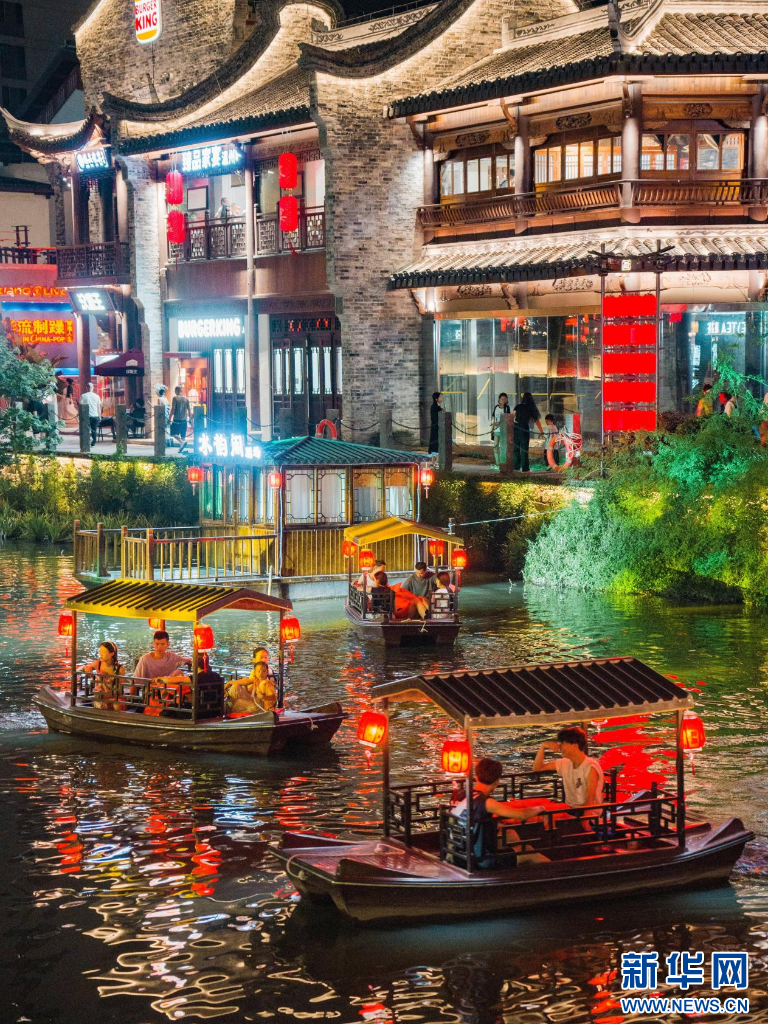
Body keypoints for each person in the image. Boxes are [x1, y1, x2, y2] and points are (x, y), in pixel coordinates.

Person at [450, 758, 549, 869]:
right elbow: (522, 815)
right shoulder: (486, 802)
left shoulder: (461, 795)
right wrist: (540, 808)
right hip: (479, 860)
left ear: (476, 777)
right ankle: (556, 873)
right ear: (497, 781)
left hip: (459, 852)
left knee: (510, 834)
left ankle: (516, 870)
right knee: (528, 850)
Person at [532, 727, 604, 823]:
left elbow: (590, 798)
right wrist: (543, 747)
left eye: (563, 743)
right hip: (570, 809)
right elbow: (537, 768)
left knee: (544, 820)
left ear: (574, 745)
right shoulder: (565, 762)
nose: (559, 746)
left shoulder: (590, 767)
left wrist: (585, 820)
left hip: (588, 814)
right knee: (538, 814)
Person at [81, 641, 125, 711]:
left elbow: (120, 689)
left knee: (117, 705)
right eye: (100, 652)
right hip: (100, 697)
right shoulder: (98, 663)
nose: (100, 654)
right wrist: (87, 667)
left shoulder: (120, 669)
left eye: (103, 652)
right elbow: (85, 667)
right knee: (101, 705)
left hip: (114, 696)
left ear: (112, 654)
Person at [512, 392, 543, 473]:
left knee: (516, 448)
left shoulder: (518, 406)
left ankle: (516, 467)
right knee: (524, 449)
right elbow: (537, 421)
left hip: (516, 428)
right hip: (524, 428)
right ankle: (525, 468)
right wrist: (541, 431)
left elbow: (512, 416)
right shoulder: (531, 408)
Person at [490, 393, 512, 465]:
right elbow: (494, 418)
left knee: (503, 447)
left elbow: (508, 419)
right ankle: (497, 463)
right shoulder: (496, 407)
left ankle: (503, 462)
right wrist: (492, 429)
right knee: (495, 446)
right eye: (502, 399)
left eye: (505, 399)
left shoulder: (507, 408)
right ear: (499, 400)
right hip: (496, 430)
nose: (503, 400)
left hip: (504, 430)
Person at [79, 381, 102, 446]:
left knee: (86, 429)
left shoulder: (83, 396)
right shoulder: (97, 396)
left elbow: (80, 406)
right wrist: (99, 416)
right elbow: (98, 408)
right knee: (94, 429)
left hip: (87, 416)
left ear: (86, 388)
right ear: (93, 388)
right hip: (95, 415)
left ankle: (86, 442)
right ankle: (94, 441)